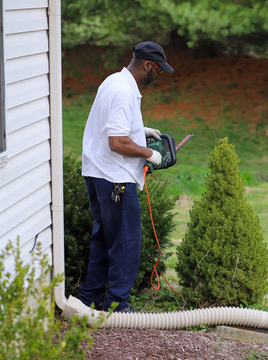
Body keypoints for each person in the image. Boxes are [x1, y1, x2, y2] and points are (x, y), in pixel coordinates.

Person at [78, 41, 174, 312]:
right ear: (146, 65)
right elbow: (117, 142)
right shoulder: (123, 91)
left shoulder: (113, 81)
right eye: (158, 70)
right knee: (126, 241)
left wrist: (139, 130)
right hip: (114, 178)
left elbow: (112, 126)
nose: (158, 76)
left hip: (97, 173)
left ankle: (90, 298)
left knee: (103, 237)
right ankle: (118, 304)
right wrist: (148, 154)